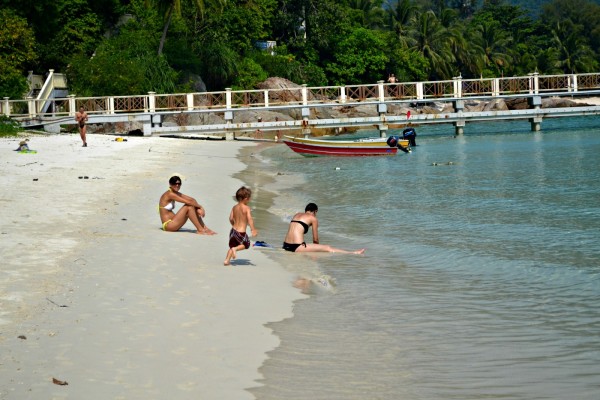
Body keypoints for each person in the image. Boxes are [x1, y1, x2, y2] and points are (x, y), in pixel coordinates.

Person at [282, 203, 365, 254]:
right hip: (296, 247)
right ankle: (353, 253)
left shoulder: (297, 215)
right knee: (327, 248)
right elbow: (315, 239)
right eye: (316, 213)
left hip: (285, 245)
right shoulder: (313, 218)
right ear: (315, 211)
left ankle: (353, 252)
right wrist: (317, 249)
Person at [224, 186, 258, 265]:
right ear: (246, 199)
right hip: (241, 232)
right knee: (246, 244)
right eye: (249, 198)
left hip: (233, 231)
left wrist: (233, 225)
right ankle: (235, 249)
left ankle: (227, 260)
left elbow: (231, 218)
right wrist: (253, 230)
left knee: (232, 246)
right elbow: (250, 219)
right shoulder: (247, 208)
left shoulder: (234, 207)